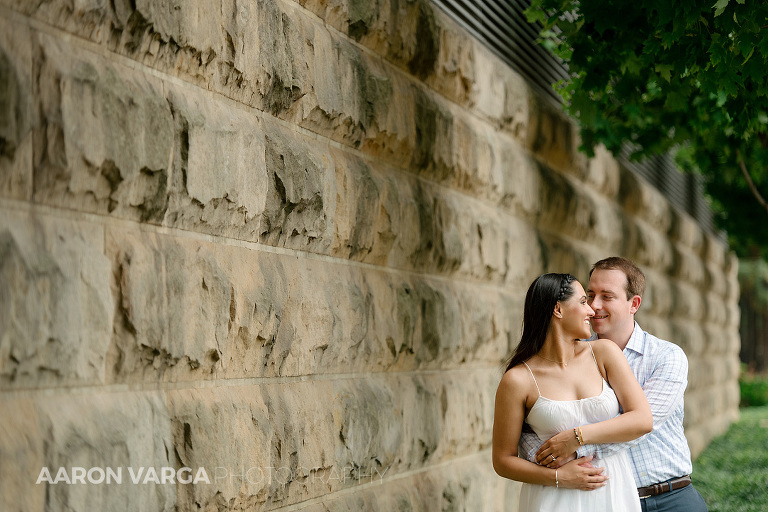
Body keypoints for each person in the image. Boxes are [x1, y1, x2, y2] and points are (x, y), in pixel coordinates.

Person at [519, 257, 708, 511]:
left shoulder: (666, 357)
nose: (595, 306)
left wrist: (574, 444)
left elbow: (640, 427)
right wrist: (546, 457)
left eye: (607, 296)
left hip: (669, 497)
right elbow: (534, 425)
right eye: (590, 295)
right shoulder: (570, 358)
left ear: (634, 304)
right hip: (604, 498)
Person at [492, 272, 652, 511]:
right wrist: (559, 478)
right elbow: (503, 461)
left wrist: (577, 436)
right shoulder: (518, 379)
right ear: (558, 309)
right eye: (583, 302)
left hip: (613, 494)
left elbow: (642, 419)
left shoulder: (604, 353)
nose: (591, 311)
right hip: (553, 499)